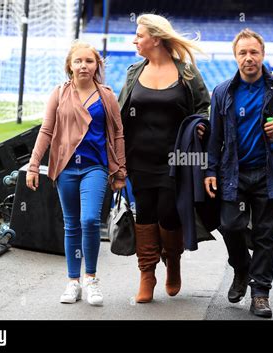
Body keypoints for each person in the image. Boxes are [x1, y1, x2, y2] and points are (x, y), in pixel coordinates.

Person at [204, 29, 273, 318]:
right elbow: (215, 137)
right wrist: (210, 170)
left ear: (262, 55)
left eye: (254, 52)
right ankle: (241, 268)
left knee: (264, 235)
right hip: (233, 174)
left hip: (269, 173)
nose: (249, 58)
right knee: (230, 225)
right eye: (243, 53)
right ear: (235, 56)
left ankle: (260, 294)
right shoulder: (223, 91)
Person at [26, 40, 126, 306]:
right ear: (69, 66)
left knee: (91, 220)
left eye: (89, 61)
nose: (84, 65)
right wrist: (34, 165)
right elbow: (46, 131)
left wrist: (121, 170)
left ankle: (91, 279)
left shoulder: (107, 96)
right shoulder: (59, 93)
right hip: (66, 168)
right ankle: (73, 282)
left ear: (97, 66)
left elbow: (117, 134)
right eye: (78, 61)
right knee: (71, 225)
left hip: (95, 167)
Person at [118, 14, 210, 303]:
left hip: (177, 160)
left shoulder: (187, 73)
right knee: (144, 214)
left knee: (169, 214)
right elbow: (120, 115)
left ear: (155, 39)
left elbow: (205, 108)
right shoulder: (134, 71)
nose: (135, 40)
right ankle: (147, 274)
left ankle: (173, 261)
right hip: (139, 159)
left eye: (139, 35)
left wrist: (201, 124)